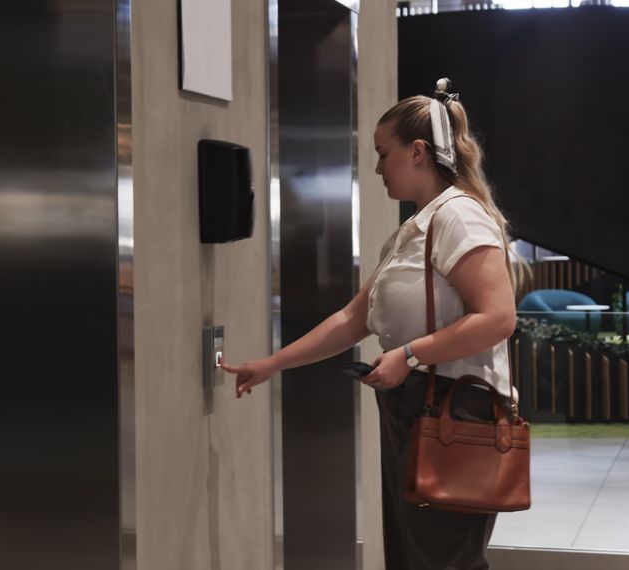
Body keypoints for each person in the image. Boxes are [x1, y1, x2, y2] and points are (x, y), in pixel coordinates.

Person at [221, 79, 522, 569]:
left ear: (419, 152)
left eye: (385, 153)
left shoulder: (459, 219)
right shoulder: (416, 228)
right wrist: (271, 364)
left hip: (457, 412)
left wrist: (408, 355)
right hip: (414, 409)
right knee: (414, 558)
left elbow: (497, 318)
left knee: (442, 560)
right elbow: (351, 318)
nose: (377, 167)